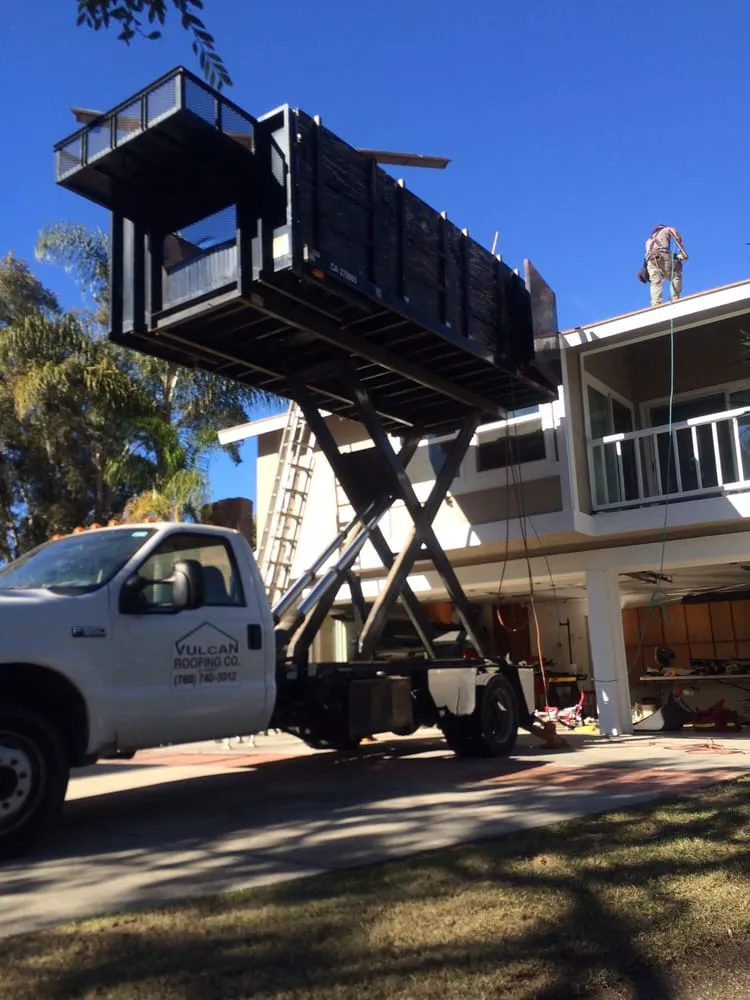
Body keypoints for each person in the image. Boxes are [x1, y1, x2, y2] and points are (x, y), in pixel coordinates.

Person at [645, 225, 688, 306]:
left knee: (655, 281)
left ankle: (656, 302)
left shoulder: (648, 240)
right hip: (662, 254)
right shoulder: (666, 229)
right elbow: (674, 233)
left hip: (650, 260)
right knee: (675, 275)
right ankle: (674, 297)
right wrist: (681, 248)